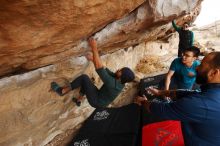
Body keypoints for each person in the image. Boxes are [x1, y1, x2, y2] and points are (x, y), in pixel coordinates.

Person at [135, 52, 220, 145]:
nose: (197, 68)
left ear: (214, 73)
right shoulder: (211, 93)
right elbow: (191, 93)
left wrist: (144, 102)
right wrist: (161, 92)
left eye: (202, 65)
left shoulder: (198, 104)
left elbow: (161, 109)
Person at [51, 38, 135, 108]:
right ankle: (79, 100)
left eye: (121, 70)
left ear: (121, 76)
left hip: (96, 102)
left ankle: (62, 91)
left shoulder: (113, 84)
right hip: (99, 97)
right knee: (88, 84)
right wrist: (92, 59)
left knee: (84, 78)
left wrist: (94, 47)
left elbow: (99, 68)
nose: (118, 69)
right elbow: (104, 68)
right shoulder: (119, 80)